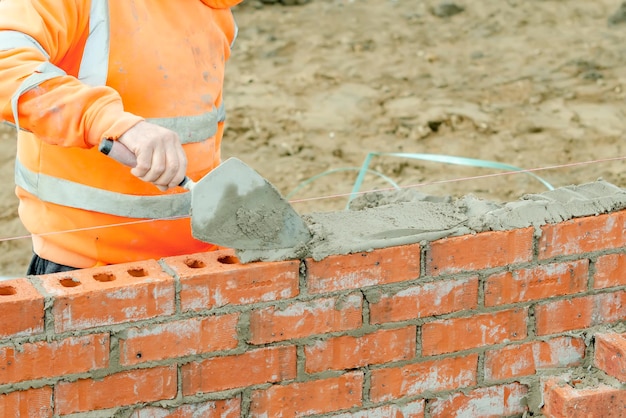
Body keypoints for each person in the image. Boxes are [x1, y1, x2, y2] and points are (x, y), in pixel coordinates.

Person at [0, 0, 243, 274]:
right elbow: (6, 64)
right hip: (87, 267)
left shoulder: (212, 9)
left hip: (195, 260)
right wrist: (105, 120)